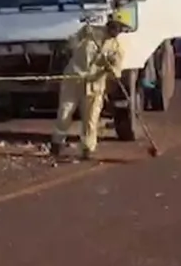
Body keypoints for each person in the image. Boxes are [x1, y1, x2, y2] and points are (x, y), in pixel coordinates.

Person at [50, 13, 126, 161]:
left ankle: (87, 148)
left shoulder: (117, 49)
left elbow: (116, 73)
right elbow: (71, 43)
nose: (117, 30)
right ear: (110, 24)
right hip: (74, 79)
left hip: (94, 85)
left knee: (91, 119)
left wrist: (109, 69)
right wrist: (76, 40)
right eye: (116, 26)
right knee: (65, 112)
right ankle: (57, 143)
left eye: (121, 29)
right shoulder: (90, 32)